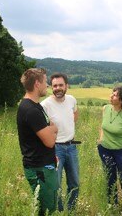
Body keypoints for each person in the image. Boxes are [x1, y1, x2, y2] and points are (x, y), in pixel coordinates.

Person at [16, 68, 59, 216]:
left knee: (46, 206)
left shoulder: (36, 106)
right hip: (40, 168)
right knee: (47, 210)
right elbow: (49, 142)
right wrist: (54, 129)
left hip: (44, 164)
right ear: (36, 84)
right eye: (45, 82)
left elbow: (46, 132)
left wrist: (51, 130)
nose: (47, 85)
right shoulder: (30, 110)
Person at [41, 72, 79, 212]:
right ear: (51, 87)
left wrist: (68, 127)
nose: (57, 88)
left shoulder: (72, 100)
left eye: (60, 85)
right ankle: (60, 211)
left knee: (74, 182)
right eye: (54, 85)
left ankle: (71, 210)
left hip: (71, 147)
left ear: (67, 86)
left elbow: (75, 114)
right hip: (55, 149)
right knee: (55, 184)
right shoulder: (44, 105)